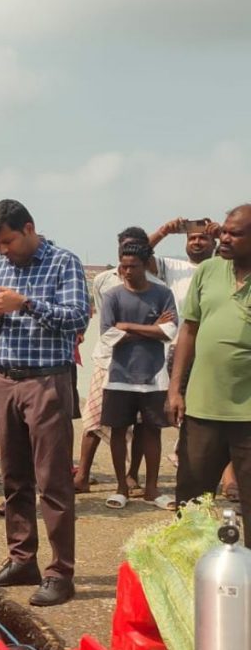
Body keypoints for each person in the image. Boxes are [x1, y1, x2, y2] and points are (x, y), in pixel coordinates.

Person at [0, 199, 89, 608]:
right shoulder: (1, 267)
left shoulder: (64, 262)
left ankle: (60, 572)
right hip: (6, 379)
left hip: (47, 381)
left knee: (53, 483)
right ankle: (21, 559)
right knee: (14, 481)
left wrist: (24, 302)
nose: (3, 251)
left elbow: (78, 318)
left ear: (29, 228)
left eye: (8, 241)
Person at [170, 205, 251, 540]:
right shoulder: (208, 271)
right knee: (190, 504)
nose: (224, 237)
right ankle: (186, 579)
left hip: (247, 416)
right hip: (202, 410)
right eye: (225, 231)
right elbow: (188, 330)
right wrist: (175, 388)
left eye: (235, 233)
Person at [75, 227, 161, 495]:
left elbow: (165, 329)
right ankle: (83, 475)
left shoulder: (157, 286)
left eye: (135, 247)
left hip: (145, 365)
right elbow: (108, 329)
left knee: (139, 422)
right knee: (94, 420)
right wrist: (137, 330)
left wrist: (129, 330)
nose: (129, 253)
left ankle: (132, 476)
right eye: (125, 246)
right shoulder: (103, 281)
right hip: (107, 361)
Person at [99, 243, 177, 511]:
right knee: (119, 431)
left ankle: (152, 488)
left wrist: (129, 326)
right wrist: (152, 328)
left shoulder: (163, 293)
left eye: (133, 266)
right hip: (119, 375)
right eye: (123, 266)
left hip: (154, 376)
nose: (127, 271)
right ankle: (122, 487)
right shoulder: (112, 296)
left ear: (146, 265)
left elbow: (170, 331)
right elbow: (109, 336)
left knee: (152, 431)